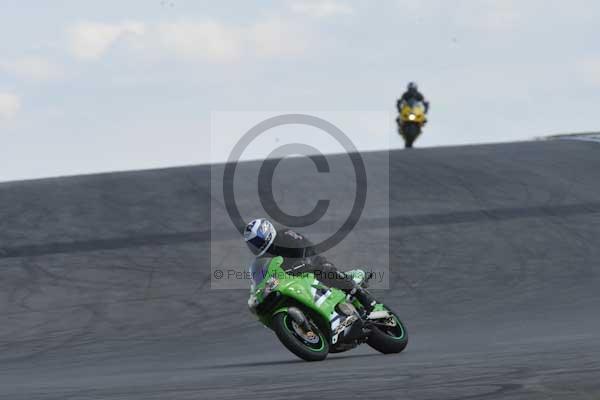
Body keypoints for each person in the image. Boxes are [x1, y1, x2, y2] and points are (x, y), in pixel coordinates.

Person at [244, 218, 377, 313]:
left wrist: (305, 260)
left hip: (309, 262)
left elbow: (305, 246)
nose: (255, 246)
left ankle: (361, 295)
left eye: (257, 241)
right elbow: (261, 278)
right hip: (290, 280)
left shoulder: (285, 235)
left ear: (266, 233)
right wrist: (257, 292)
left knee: (325, 269)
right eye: (252, 244)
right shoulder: (263, 260)